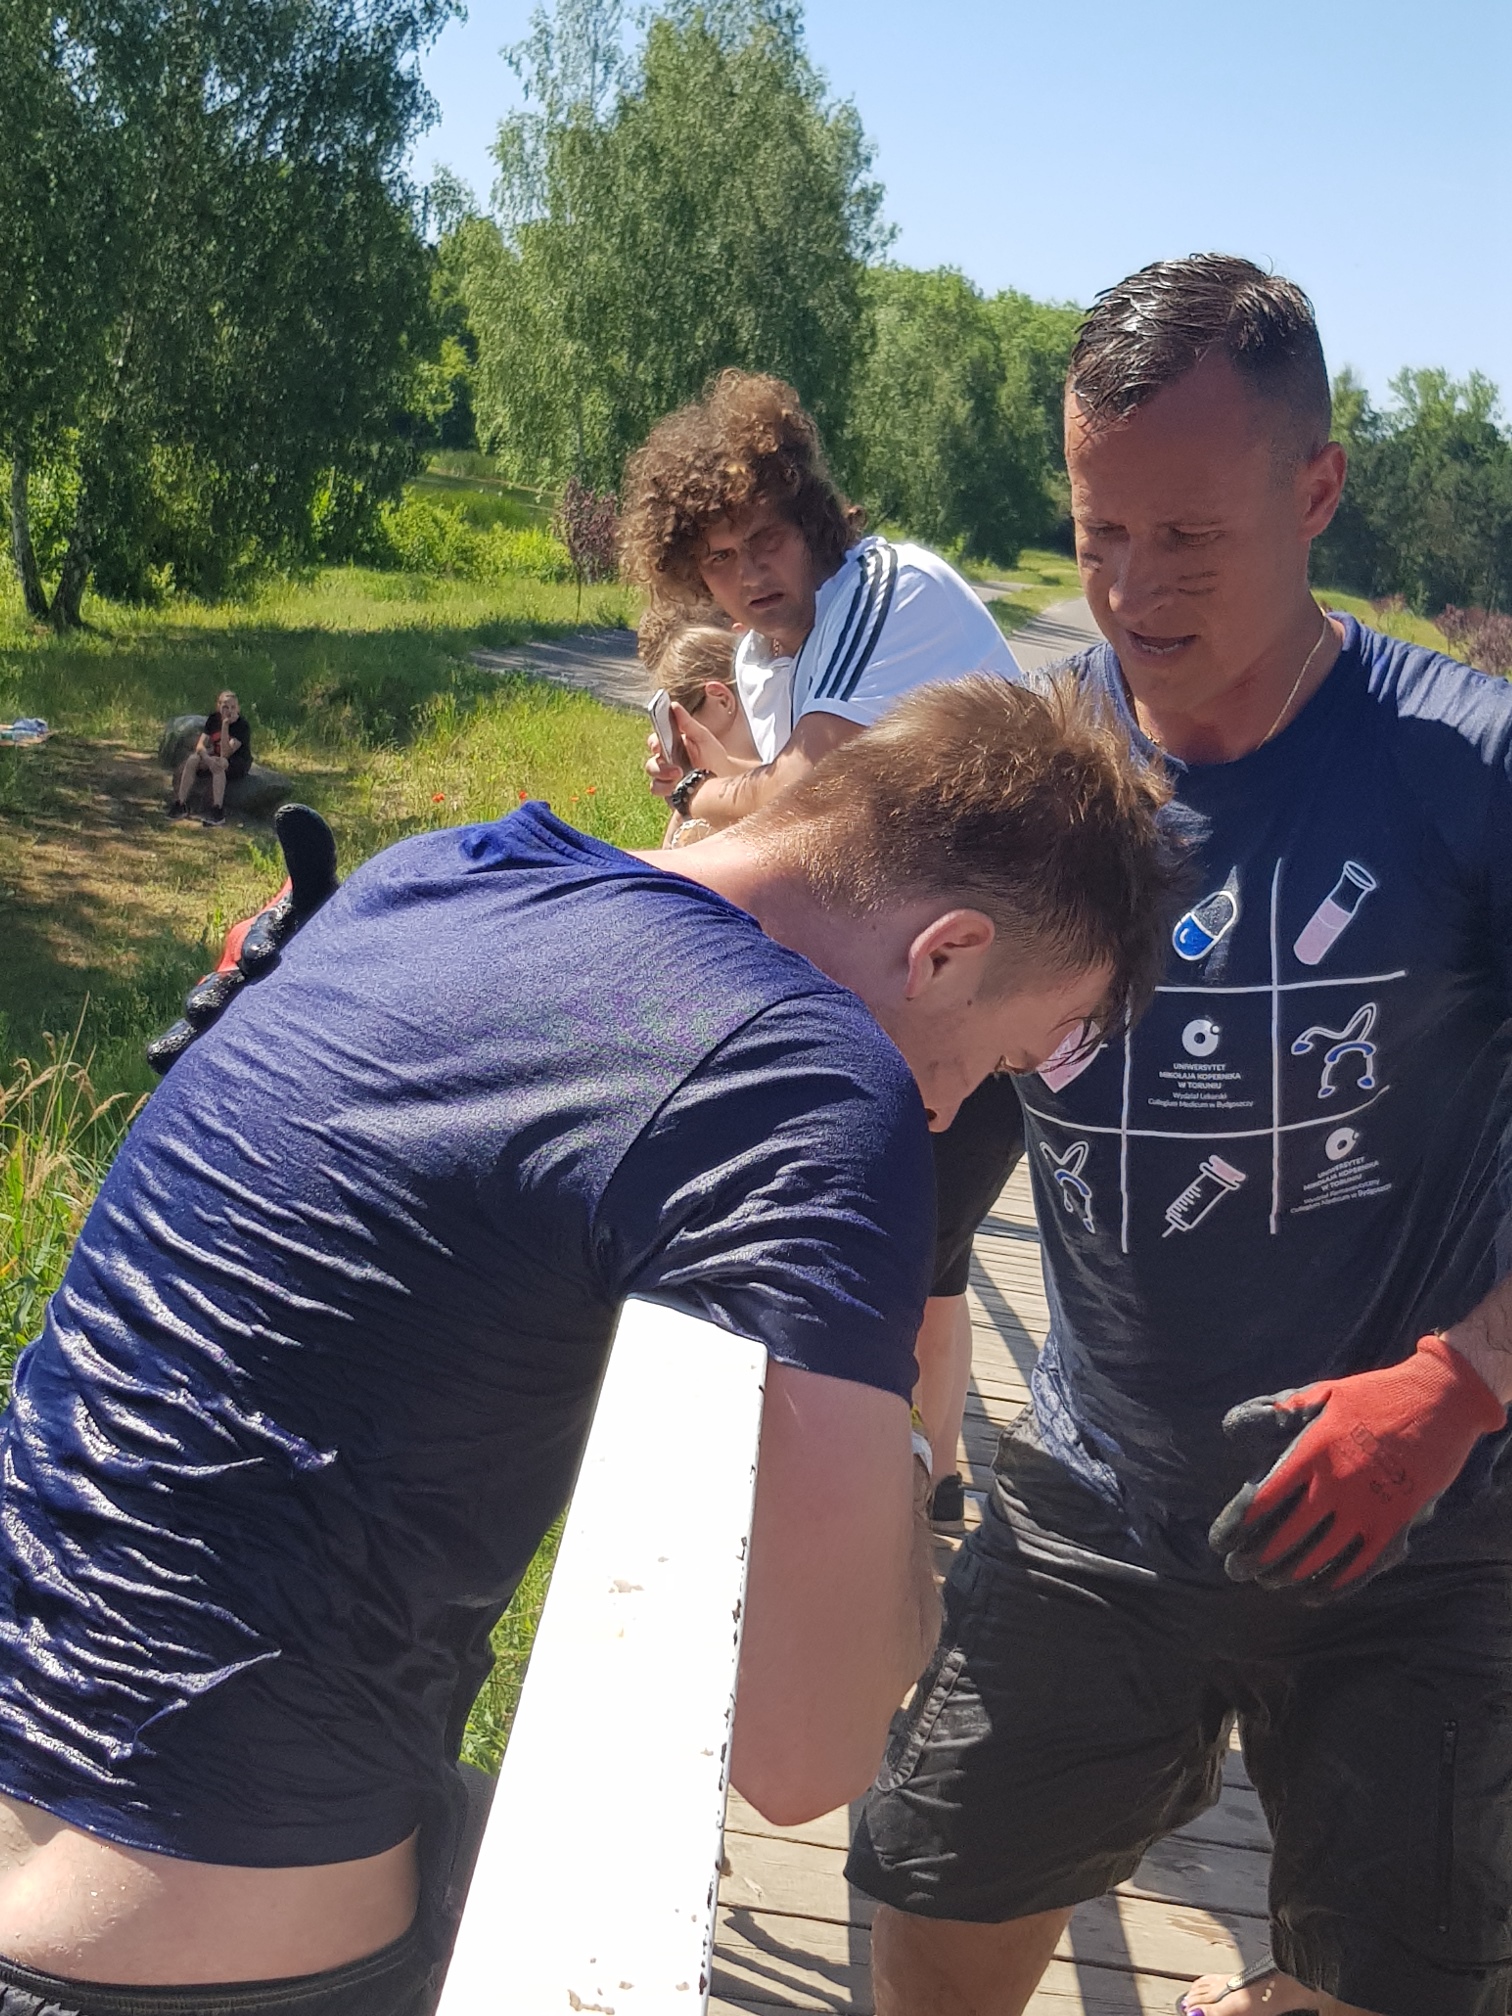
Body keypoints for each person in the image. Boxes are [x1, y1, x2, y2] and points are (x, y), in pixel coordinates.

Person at [0, 676, 1183, 2016]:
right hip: (188, 1952)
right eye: (997, 1064)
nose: (947, 1113)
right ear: (947, 953)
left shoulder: (437, 873)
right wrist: (907, 1459)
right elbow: (808, 1754)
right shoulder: (809, 1080)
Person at [849, 253, 1512, 2016]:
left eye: (1192, 538)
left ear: (1318, 489)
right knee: (927, 1918)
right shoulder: (1032, 776)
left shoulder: (1468, 772)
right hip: (1104, 1503)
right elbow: (838, 997)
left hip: (1415, 1539)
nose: (1135, 591)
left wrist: (1463, 1380)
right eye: (1099, 533)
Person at [620, 370, 1029, 1525]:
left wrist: (699, 797)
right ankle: (909, 1501)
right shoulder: (766, 659)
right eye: (717, 559)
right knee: (901, 1282)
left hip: (981, 1008)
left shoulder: (884, 592)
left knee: (878, 1294)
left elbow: (802, 795)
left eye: (766, 538)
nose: (750, 573)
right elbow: (782, 809)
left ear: (812, 515)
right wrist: (720, 782)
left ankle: (881, 1534)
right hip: (916, 997)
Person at [170, 689, 252, 825]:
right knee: (193, 759)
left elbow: (226, 752)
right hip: (214, 755)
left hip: (237, 761)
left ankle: (217, 810)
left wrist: (225, 726)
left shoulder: (242, 726)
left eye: (233, 707)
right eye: (225, 707)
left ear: (238, 708)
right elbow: (200, 745)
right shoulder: (213, 719)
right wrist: (207, 759)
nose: (229, 711)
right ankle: (180, 803)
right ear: (218, 706)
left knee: (220, 764)